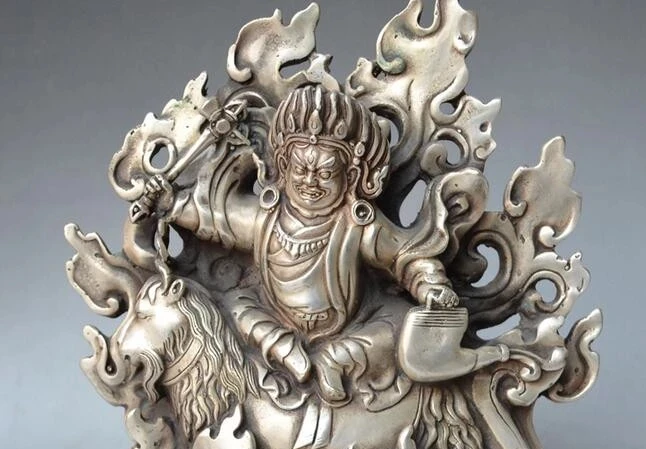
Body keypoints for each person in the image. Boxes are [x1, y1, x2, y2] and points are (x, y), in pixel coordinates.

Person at [129, 85, 459, 404]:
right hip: (275, 318)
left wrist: (430, 285)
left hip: (347, 325)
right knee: (233, 306)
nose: (310, 181)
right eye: (301, 169)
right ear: (284, 167)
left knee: (398, 319)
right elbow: (215, 220)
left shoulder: (357, 224)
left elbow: (406, 255)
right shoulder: (266, 216)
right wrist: (170, 203)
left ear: (351, 176)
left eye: (326, 173)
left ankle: (335, 360)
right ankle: (285, 350)